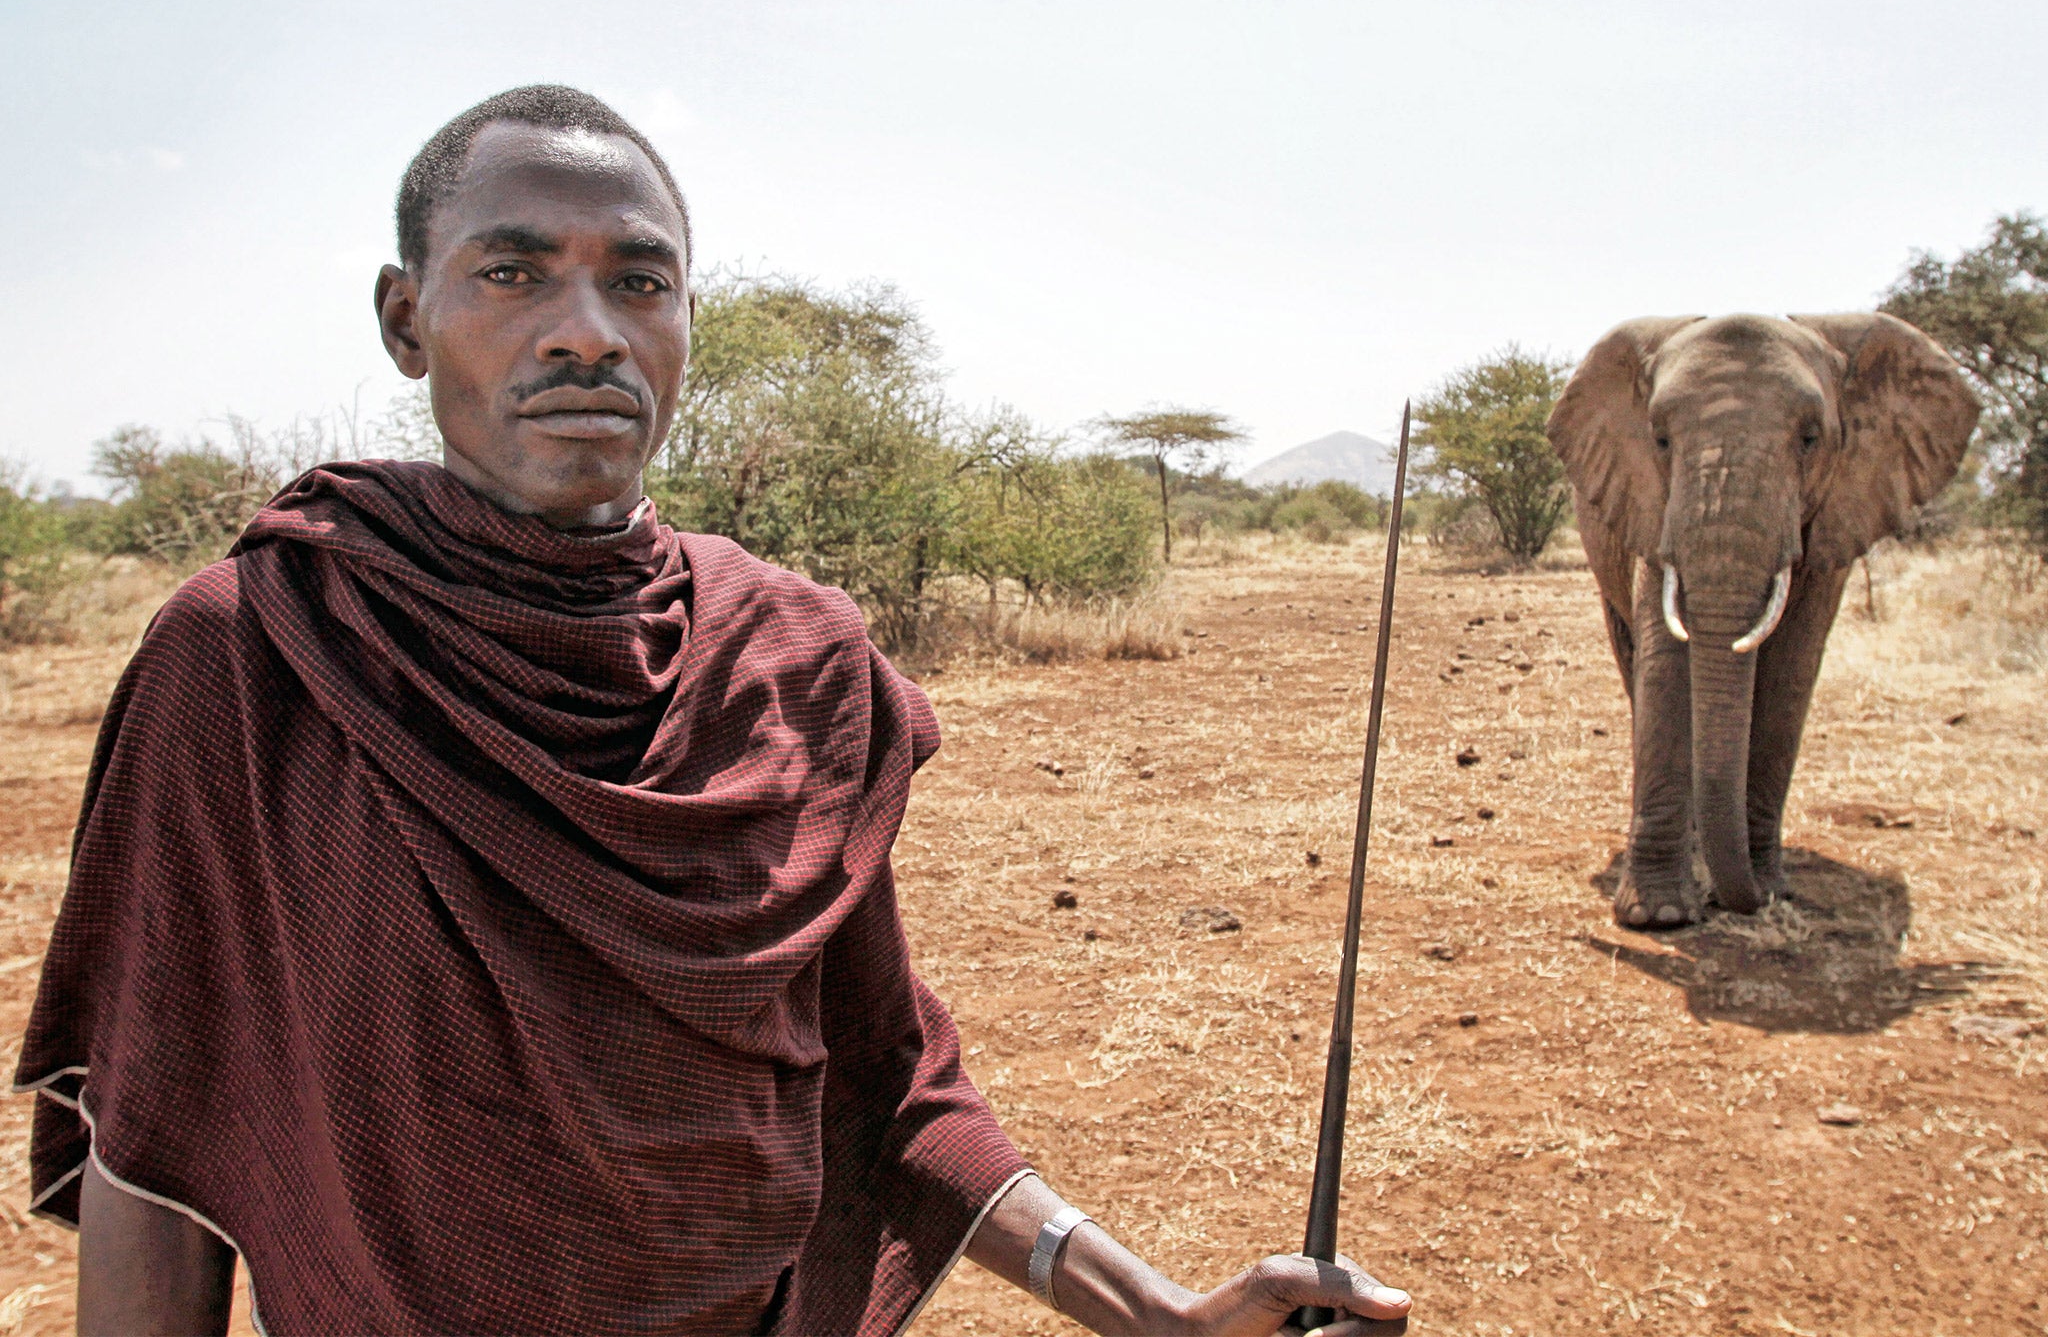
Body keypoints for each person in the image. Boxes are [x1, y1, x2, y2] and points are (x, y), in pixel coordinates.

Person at [15, 86, 1413, 1337]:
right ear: (404, 319)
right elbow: (163, 1133)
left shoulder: (800, 658)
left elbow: (888, 1078)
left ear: (686, 324)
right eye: (512, 273)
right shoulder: (257, 654)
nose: (586, 331)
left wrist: (1156, 1315)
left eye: (640, 282)